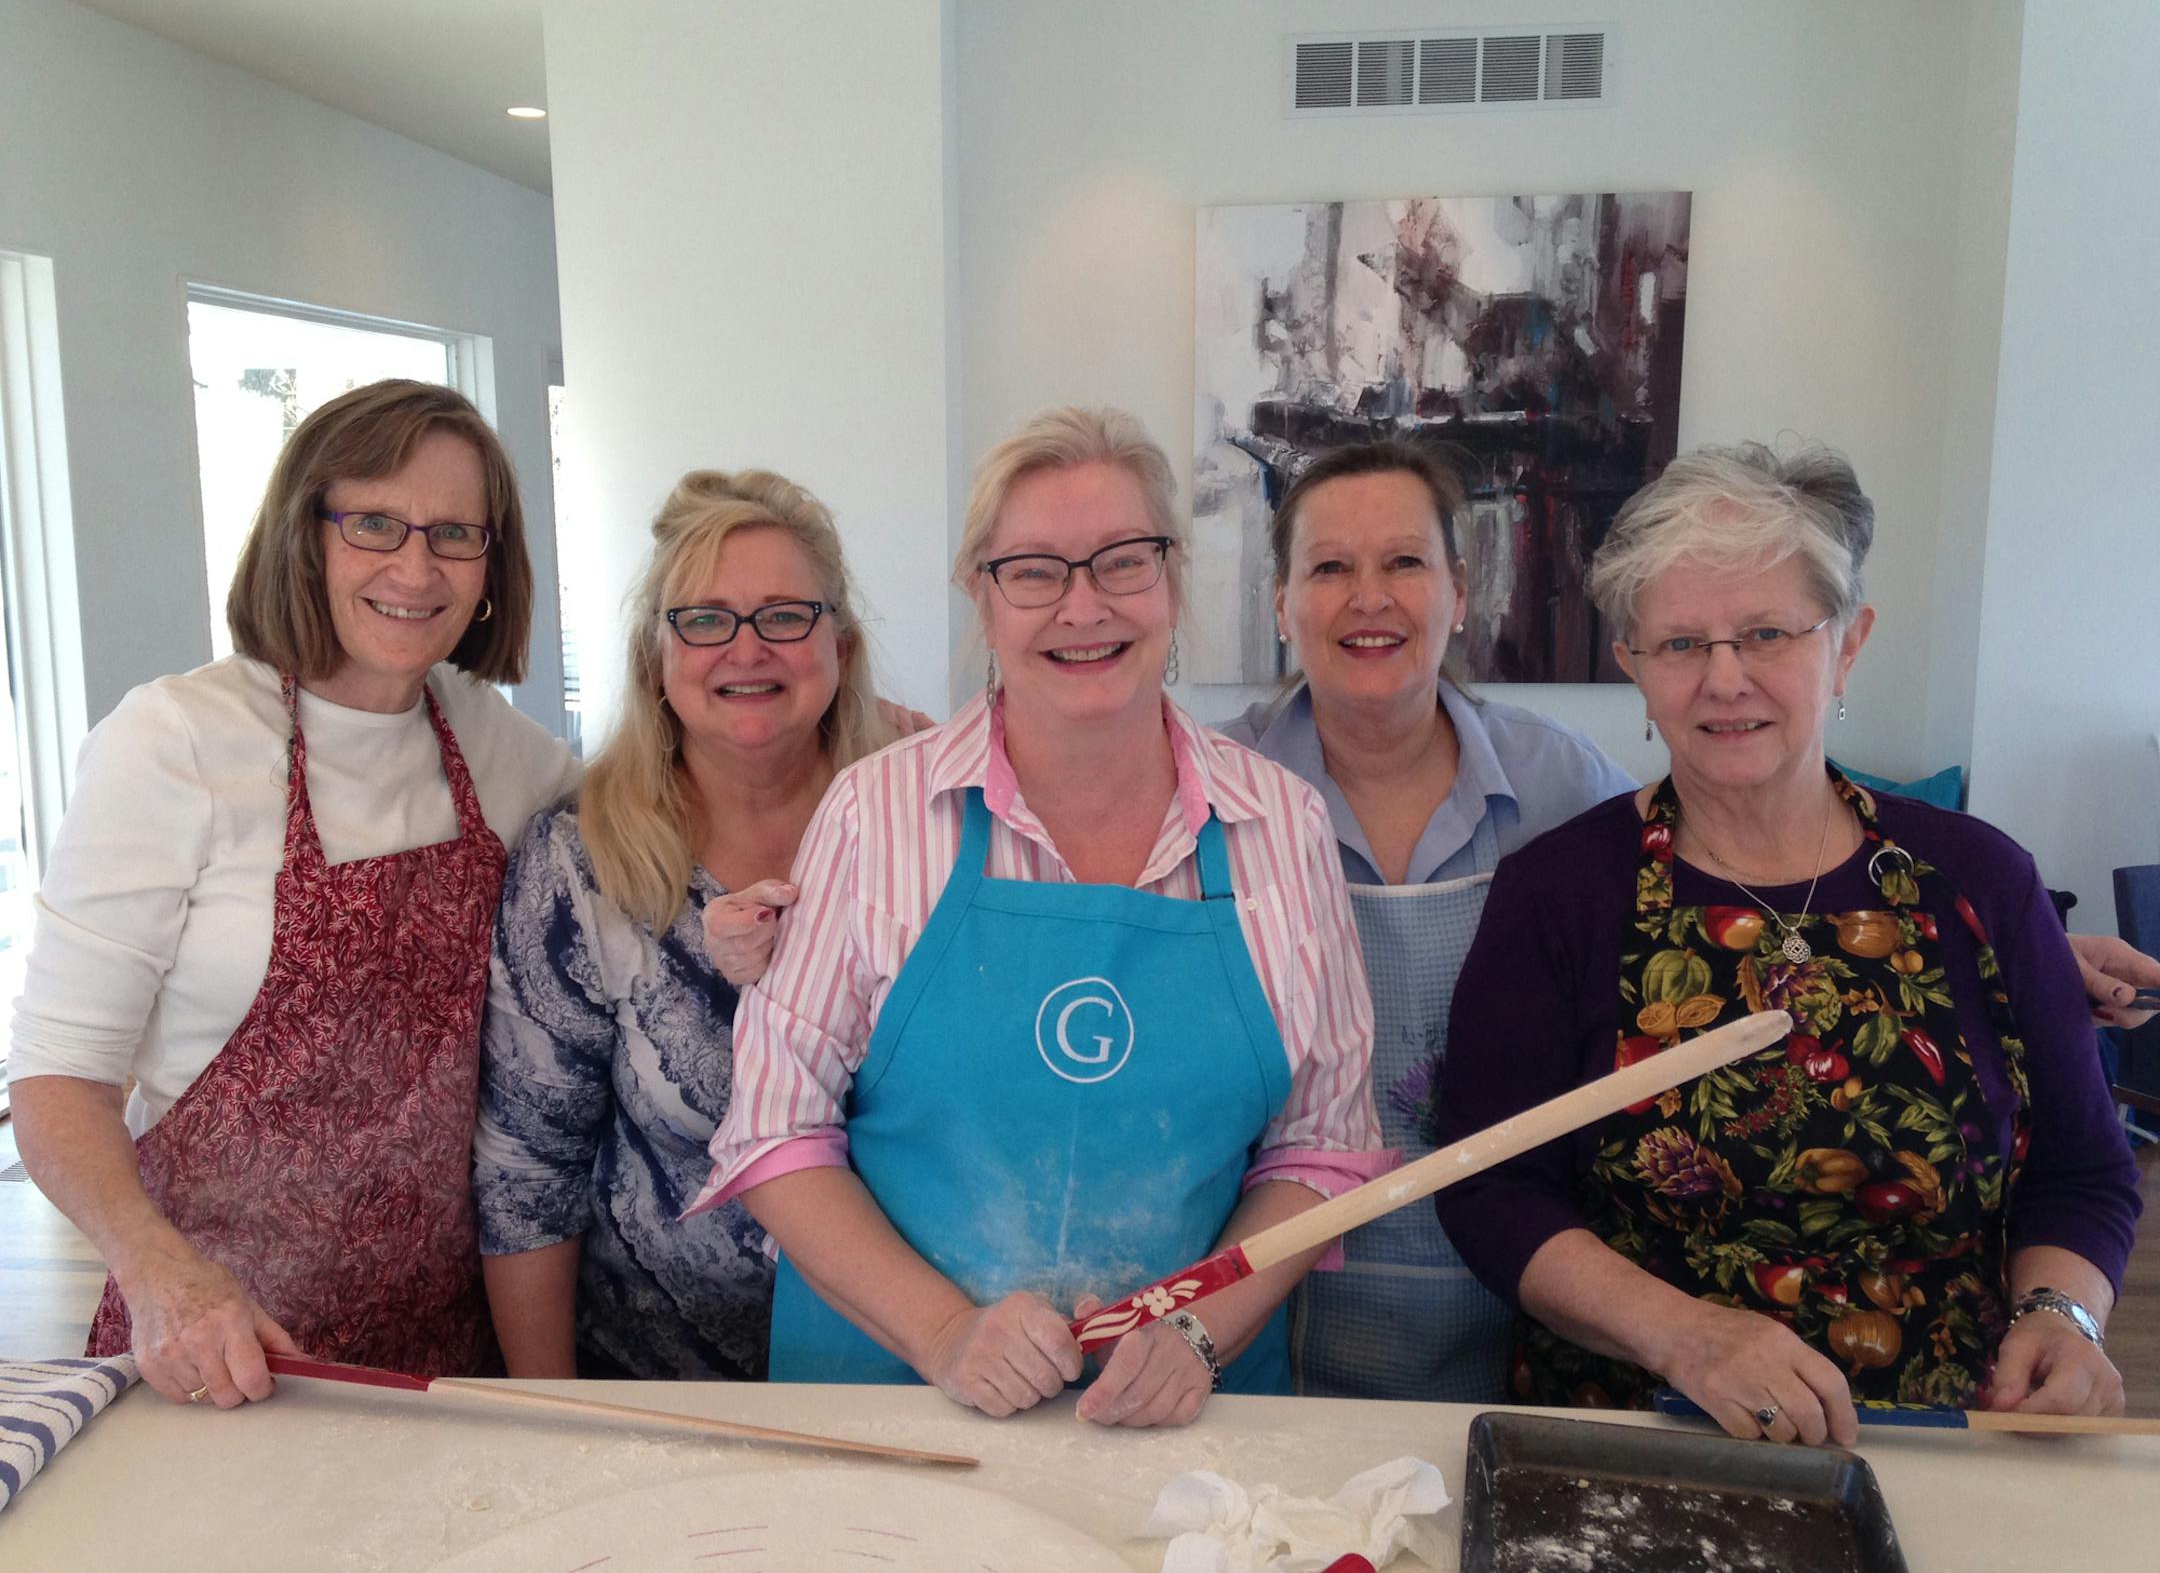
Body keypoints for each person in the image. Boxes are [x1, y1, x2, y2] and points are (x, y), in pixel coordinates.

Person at [691, 405, 1390, 1428]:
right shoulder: (877, 815)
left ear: (1172, 581)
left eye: (1123, 561)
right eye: (1033, 571)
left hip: (1179, 1427)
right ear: (983, 597)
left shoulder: (1280, 825)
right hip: (890, 1408)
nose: (1083, 605)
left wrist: (1199, 1333)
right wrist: (942, 1331)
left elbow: (1321, 1149)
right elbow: (775, 1132)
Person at [1434, 442, 2141, 1445]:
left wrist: (2062, 1317)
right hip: (1642, 1427)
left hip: (1949, 1429)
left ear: (1847, 644)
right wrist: (1684, 1337)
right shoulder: (1559, 892)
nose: (1725, 679)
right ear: (1633, 666)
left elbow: (2081, 1170)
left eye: (1767, 634)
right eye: (1681, 644)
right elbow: (1490, 1182)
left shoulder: (1980, 880)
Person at [10, 380, 578, 1406]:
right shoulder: (175, 741)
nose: (416, 568)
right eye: (374, 523)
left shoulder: (497, 744)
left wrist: (843, 740)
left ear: (492, 568)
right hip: (222, 1348)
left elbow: (659, 815)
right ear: (302, 537)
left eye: (455, 534)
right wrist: (158, 1271)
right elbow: (57, 1080)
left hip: (448, 1346)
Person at [1218, 441, 1634, 1402]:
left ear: (1459, 591)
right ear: (1281, 605)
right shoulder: (1211, 789)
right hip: (1262, 1322)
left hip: (1523, 1307)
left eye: (1404, 562)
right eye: (1330, 568)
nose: (1370, 598)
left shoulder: (1563, 784)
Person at [473, 471, 898, 1379]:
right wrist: (554, 1420)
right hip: (660, 1385)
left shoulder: (922, 827)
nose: (746, 648)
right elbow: (529, 1173)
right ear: (653, 659)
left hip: (910, 1364)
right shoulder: (579, 862)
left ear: (842, 647)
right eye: (703, 620)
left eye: (785, 615)